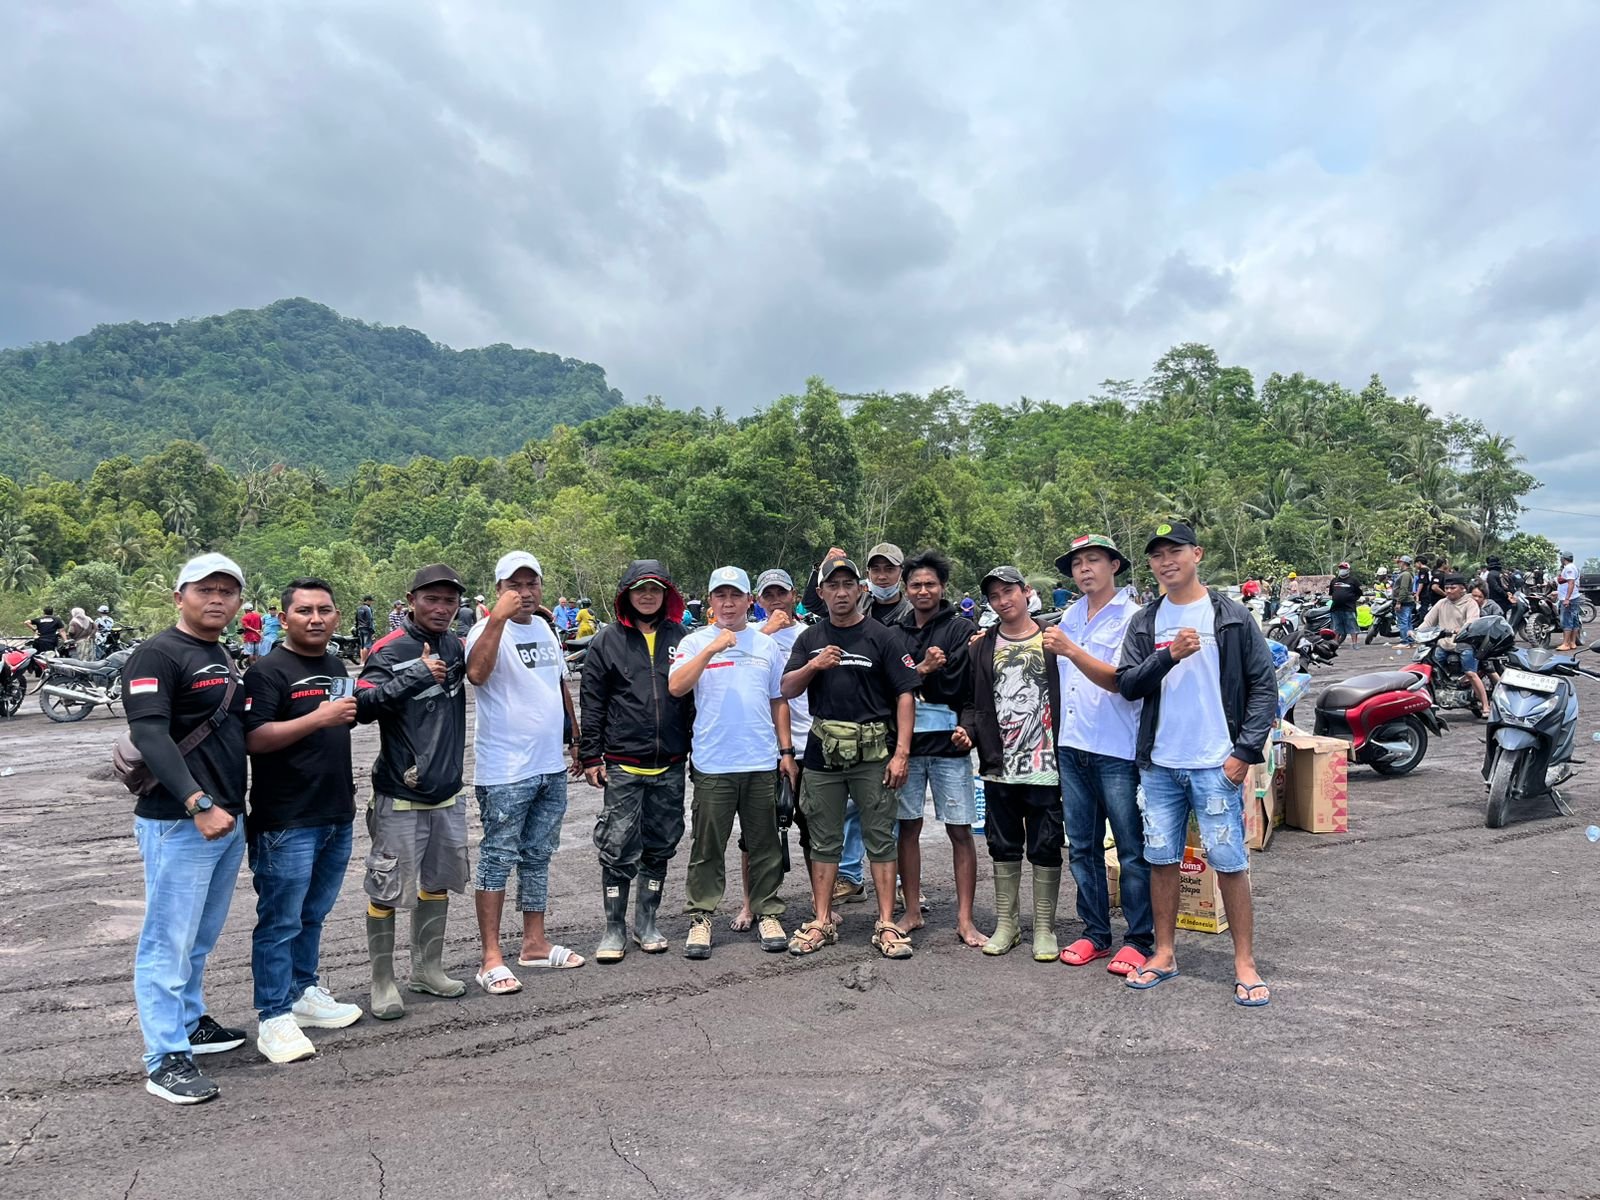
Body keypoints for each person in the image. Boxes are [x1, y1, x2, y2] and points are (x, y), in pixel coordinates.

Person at [1115, 522, 1275, 1007]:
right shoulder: (1145, 621)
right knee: (1161, 860)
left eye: (1175, 551)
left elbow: (1263, 687)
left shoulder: (1231, 616)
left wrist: (1243, 753)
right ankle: (1164, 954)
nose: (1166, 562)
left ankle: (1245, 962)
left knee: (1229, 863)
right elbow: (1128, 684)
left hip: (1214, 764)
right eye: (1157, 555)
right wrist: (1168, 656)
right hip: (1159, 764)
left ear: (1197, 554)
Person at [124, 553, 249, 1104]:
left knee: (198, 936)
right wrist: (197, 802)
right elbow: (150, 734)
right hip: (181, 821)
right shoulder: (158, 653)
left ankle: (190, 1023)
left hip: (226, 818)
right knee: (167, 941)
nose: (217, 598)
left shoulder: (219, 652)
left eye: (227, 591)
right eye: (205, 589)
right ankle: (164, 1058)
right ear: (179, 597)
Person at [243, 577, 364, 1065]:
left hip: (335, 812)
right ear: (284, 617)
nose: (316, 619)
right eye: (305, 611)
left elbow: (344, 721)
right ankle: (273, 1015)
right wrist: (318, 718)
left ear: (337, 616)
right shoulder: (266, 672)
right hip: (286, 819)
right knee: (279, 921)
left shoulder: (335, 665)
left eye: (324, 610)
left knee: (313, 914)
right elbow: (254, 738)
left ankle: (303, 992)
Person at [781, 554, 919, 958]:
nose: (841, 593)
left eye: (848, 585)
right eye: (832, 586)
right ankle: (822, 921)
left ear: (860, 589)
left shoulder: (883, 636)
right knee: (824, 839)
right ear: (820, 593)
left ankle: (887, 923)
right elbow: (787, 688)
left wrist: (901, 753)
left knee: (880, 838)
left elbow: (906, 694)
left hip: (874, 754)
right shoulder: (809, 638)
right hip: (823, 755)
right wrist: (814, 665)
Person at [466, 552, 585, 995]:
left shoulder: (545, 628)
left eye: (531, 583)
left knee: (538, 855)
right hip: (505, 769)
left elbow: (558, 684)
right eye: (514, 585)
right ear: (498, 590)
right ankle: (490, 957)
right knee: (498, 857)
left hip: (548, 764)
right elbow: (476, 674)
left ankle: (534, 942)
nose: (525, 592)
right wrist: (496, 619)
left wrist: (575, 737)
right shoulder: (483, 630)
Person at [355, 564, 470, 1020]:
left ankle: (428, 970)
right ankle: (382, 981)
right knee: (387, 888)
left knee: (437, 883)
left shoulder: (456, 645)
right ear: (411, 600)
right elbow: (361, 707)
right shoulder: (388, 648)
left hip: (447, 790)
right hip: (399, 793)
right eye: (431, 599)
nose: (441, 608)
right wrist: (415, 675)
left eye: (449, 601)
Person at [668, 567, 796, 958]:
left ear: (749, 601)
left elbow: (778, 699)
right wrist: (711, 650)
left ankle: (767, 912)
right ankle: (702, 917)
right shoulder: (694, 642)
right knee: (708, 847)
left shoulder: (765, 644)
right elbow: (676, 686)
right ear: (710, 602)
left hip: (760, 761)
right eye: (720, 596)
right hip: (713, 763)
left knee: (765, 844)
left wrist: (786, 752)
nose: (728, 604)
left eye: (735, 596)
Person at [1042, 535, 1151, 977]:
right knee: (1082, 848)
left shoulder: (1134, 619)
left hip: (1116, 749)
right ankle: (1095, 933)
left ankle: (1140, 939)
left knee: (1130, 848)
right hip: (1073, 747)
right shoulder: (1069, 616)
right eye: (1077, 564)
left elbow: (1124, 681)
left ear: (1114, 566)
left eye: (1093, 560)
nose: (1084, 569)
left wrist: (1071, 649)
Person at [580, 562, 692, 963]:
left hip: (671, 761)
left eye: (655, 589)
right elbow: (592, 700)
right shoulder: (606, 640)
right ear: (626, 594)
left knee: (660, 845)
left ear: (666, 595)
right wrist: (589, 754)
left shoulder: (682, 638)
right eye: (640, 589)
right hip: (623, 763)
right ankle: (614, 927)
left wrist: (697, 748)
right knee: (617, 845)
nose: (647, 596)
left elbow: (697, 698)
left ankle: (647, 921)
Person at [954, 567, 1063, 961]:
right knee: (1002, 844)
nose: (1003, 601)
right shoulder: (981, 646)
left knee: (1046, 843)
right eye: (995, 596)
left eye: (1008, 592)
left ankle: (1045, 927)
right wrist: (968, 730)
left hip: (1046, 764)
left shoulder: (1052, 640)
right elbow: (971, 700)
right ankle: (1007, 924)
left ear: (1026, 592)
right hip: (999, 764)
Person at [887, 549, 983, 947]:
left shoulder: (962, 629)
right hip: (906, 747)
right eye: (915, 584)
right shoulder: (894, 632)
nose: (923, 590)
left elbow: (965, 685)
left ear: (943, 587)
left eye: (930, 584)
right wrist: (922, 669)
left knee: (960, 830)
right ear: (906, 589)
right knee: (907, 827)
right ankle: (911, 910)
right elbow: (887, 686)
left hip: (950, 748)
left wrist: (968, 729)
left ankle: (965, 919)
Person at [733, 569, 812, 932]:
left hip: (808, 743)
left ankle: (820, 902)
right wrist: (767, 631)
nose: (776, 600)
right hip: (762, 748)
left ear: (794, 594)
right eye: (768, 595)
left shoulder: (810, 634)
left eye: (782, 593)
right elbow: (734, 671)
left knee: (813, 830)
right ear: (758, 601)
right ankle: (749, 904)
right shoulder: (748, 635)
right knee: (755, 835)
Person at [1418, 574, 1489, 712]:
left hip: (1464, 645)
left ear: (1462, 589)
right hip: (1444, 645)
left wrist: (1461, 630)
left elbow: (1472, 621)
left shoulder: (1470, 603)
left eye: (1453, 588)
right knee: (1430, 667)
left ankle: (1485, 705)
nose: (1449, 591)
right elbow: (1428, 622)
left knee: (1471, 674)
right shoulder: (1441, 603)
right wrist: (1416, 632)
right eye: (1446, 588)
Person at [865, 542, 913, 625]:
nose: (882, 577)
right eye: (876, 569)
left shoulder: (913, 615)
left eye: (889, 569)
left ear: (902, 574)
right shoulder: (860, 610)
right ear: (868, 575)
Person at [1328, 563, 1362, 649]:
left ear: (1348, 570)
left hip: (1349, 607)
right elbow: (1331, 593)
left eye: (1344, 568)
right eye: (1340, 568)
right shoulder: (1334, 581)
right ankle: (1335, 644)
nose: (1342, 570)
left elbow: (1359, 593)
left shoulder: (1353, 581)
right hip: (1336, 608)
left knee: (1352, 625)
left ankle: (1354, 643)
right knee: (1336, 627)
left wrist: (1351, 599)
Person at [1557, 551, 1582, 652]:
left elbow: (1571, 583)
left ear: (1564, 559)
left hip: (1569, 598)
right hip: (1574, 596)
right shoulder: (1574, 567)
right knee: (1574, 619)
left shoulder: (1569, 568)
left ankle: (1566, 643)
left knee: (1567, 620)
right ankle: (1572, 642)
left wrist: (1567, 598)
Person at [1393, 556, 1417, 644]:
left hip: (1404, 601)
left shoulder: (1405, 574)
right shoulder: (1407, 573)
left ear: (1403, 563)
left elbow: (1403, 589)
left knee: (1403, 622)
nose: (1398, 564)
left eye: (1399, 562)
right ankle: (1410, 640)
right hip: (1408, 600)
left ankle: (1405, 641)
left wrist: (1399, 602)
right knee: (1408, 622)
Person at [354, 595, 377, 662]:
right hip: (367, 628)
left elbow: (356, 619)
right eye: (370, 601)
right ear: (367, 601)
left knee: (362, 645)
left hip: (360, 628)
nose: (371, 602)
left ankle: (362, 661)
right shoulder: (368, 609)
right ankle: (365, 661)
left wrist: (357, 628)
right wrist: (372, 630)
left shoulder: (359, 608)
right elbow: (370, 619)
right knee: (367, 645)